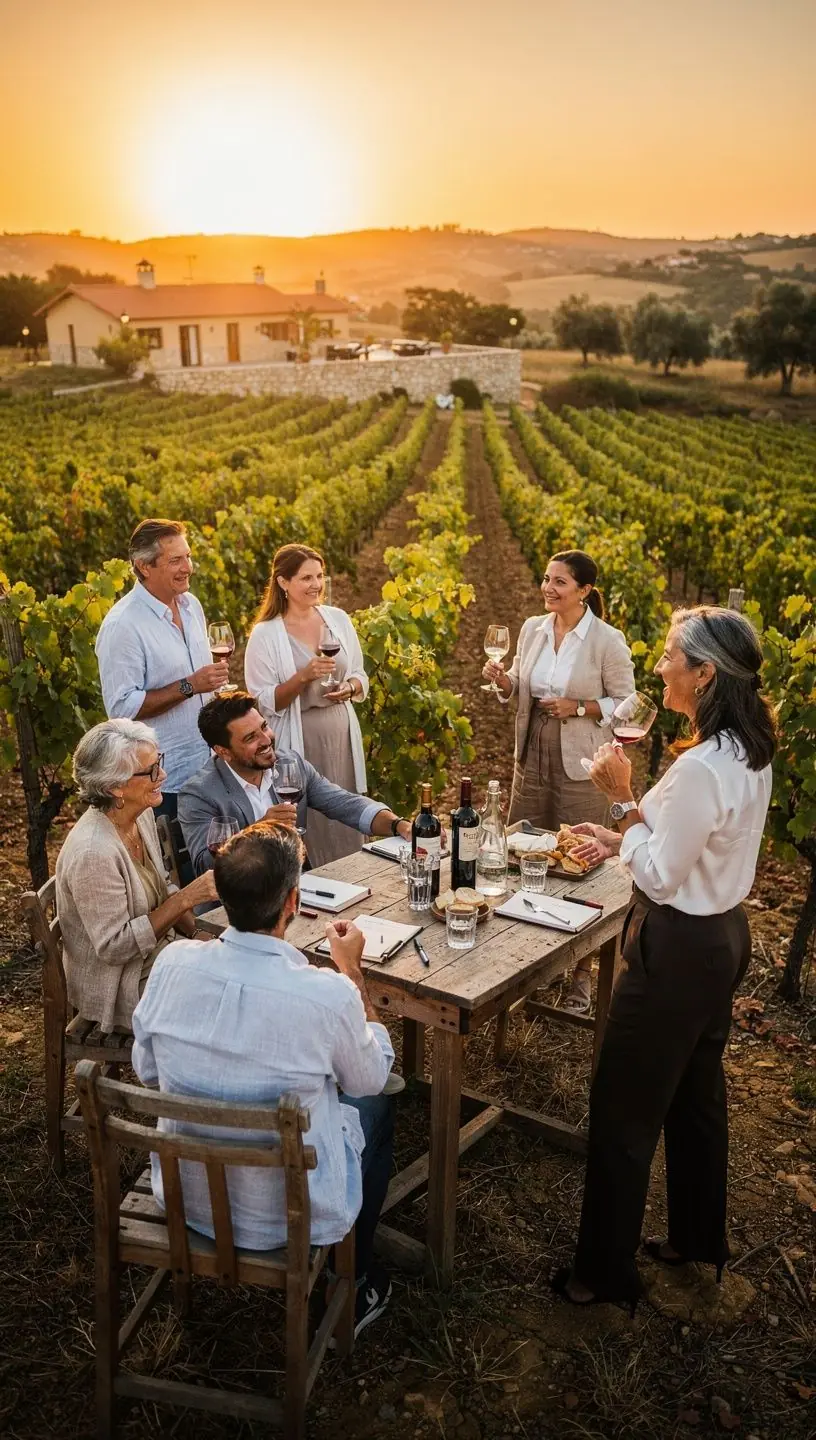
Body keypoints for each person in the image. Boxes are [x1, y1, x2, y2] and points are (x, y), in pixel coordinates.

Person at [552, 606, 776, 1313]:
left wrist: (621, 806)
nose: (658, 668)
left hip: (676, 946)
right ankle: (695, 1238)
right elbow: (688, 844)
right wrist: (624, 833)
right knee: (696, 1097)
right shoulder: (746, 748)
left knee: (623, 1110)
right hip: (721, 939)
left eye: (671, 656)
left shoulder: (703, 769)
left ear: (705, 672)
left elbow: (659, 877)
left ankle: (602, 1276)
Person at [132, 820, 396, 1338]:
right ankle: (356, 1274)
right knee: (379, 1105)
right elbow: (369, 1078)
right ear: (293, 901)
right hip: (292, 1219)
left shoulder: (172, 964)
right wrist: (354, 975)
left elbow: (147, 1071)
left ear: (223, 898)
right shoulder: (327, 992)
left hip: (186, 1194)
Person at [483, 549, 635, 1013]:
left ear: (585, 591)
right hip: (532, 753)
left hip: (584, 762)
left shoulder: (607, 640)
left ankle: (582, 977)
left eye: (560, 583)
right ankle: (526, 965)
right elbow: (517, 685)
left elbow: (627, 705)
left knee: (581, 862)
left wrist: (582, 707)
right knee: (524, 853)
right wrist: (502, 681)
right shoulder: (532, 629)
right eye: (546, 579)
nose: (549, 588)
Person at [55, 720, 217, 1033]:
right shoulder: (94, 852)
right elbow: (115, 948)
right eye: (151, 771)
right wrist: (188, 897)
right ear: (115, 786)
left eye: (160, 764)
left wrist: (198, 933)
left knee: (238, 971)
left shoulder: (140, 816)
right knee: (221, 998)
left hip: (164, 951)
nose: (163, 776)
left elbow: (163, 890)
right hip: (121, 982)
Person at [178, 691, 412, 875]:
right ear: (223, 751)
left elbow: (345, 803)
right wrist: (259, 830)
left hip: (296, 890)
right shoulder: (199, 793)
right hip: (236, 907)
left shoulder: (290, 764)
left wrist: (398, 825)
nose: (265, 740)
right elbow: (204, 866)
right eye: (250, 738)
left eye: (264, 727)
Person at [95, 518, 230, 824]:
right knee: (176, 868)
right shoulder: (123, 626)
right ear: (144, 566)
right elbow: (121, 709)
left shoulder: (191, 605)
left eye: (188, 556)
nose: (188, 567)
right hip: (165, 783)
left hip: (209, 766)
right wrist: (190, 686)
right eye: (175, 560)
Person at [244, 543, 370, 866]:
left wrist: (350, 687)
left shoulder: (337, 620)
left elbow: (359, 674)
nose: (316, 585)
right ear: (283, 582)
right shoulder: (265, 635)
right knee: (309, 818)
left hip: (340, 738)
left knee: (345, 809)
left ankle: (354, 876)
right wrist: (303, 677)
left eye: (320, 576)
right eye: (306, 578)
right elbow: (264, 701)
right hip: (301, 744)